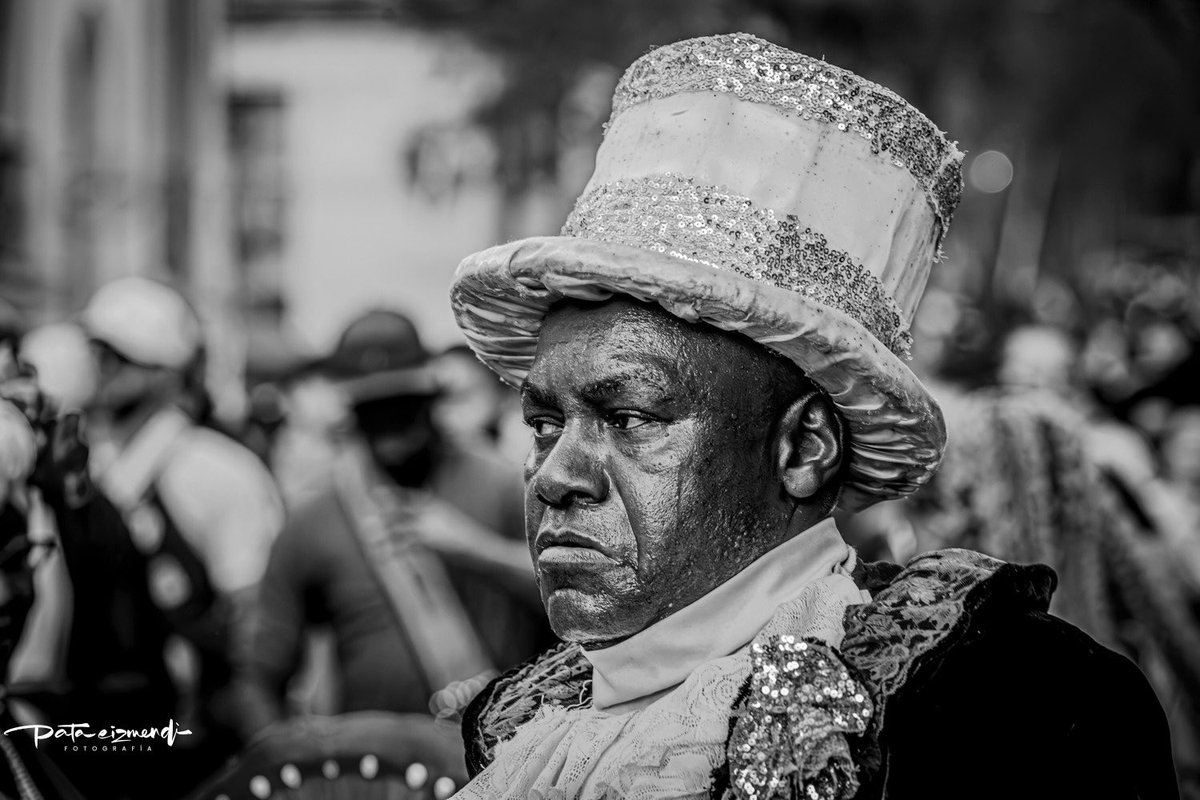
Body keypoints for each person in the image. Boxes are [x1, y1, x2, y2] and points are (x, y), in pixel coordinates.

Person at [448, 33, 1178, 799]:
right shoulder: (525, 725)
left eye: (629, 417)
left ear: (802, 447)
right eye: (544, 424)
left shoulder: (1012, 707)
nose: (554, 475)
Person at [234, 309, 553, 740]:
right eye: (373, 409)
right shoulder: (315, 521)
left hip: (507, 751)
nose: (389, 423)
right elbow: (259, 674)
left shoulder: (499, 483)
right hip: (373, 763)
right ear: (351, 411)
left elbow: (577, 599)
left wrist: (476, 549)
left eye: (402, 404)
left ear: (428, 399)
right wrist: (287, 762)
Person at [80, 276, 284, 791]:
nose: (102, 367)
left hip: (196, 755)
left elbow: (253, 628)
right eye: (97, 352)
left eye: (120, 355)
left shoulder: (219, 472)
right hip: (91, 743)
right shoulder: (83, 466)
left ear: (168, 367)